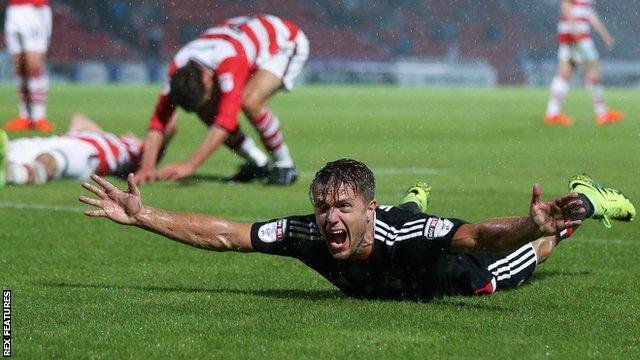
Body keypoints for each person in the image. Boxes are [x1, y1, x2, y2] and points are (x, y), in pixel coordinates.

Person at [78, 158, 636, 301]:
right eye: (323, 207)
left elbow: (479, 239)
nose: (330, 218)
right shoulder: (308, 234)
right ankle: (411, 202)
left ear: (368, 209)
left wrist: (530, 224)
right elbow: (229, 233)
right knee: (410, 226)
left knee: (528, 256)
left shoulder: (403, 236)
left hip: (463, 273)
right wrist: (143, 215)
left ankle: (586, 199)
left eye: (344, 207)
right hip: (405, 234)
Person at [135, 15, 310, 186]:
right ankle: (259, 163)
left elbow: (225, 122)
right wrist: (147, 166)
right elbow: (159, 121)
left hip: (285, 42)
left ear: (206, 79)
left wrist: (191, 165)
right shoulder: (176, 70)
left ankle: (285, 165)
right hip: (242, 41)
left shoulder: (229, 61)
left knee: (250, 102)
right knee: (208, 112)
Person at [0, 113, 153, 186]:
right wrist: (100, 134)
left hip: (90, 153)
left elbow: (165, 129)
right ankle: (10, 171)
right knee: (12, 149)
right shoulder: (112, 139)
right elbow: (78, 118)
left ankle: (13, 175)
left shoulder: (141, 151)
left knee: (50, 161)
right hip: (61, 140)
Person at [544, 0, 624, 126]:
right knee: (593, 70)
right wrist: (574, 26)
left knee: (565, 73)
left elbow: (590, 14)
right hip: (578, 36)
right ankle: (602, 114)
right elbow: (565, 5)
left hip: (571, 36)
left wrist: (604, 35)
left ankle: (552, 112)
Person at [3, 0, 54, 132]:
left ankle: (38, 116)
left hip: (34, 9)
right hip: (13, 9)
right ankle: (25, 116)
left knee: (34, 64)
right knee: (20, 66)